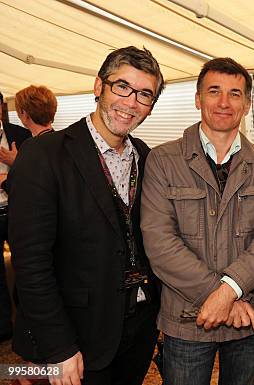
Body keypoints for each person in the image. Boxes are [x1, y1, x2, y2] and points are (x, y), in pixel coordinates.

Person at [8, 46, 165, 385]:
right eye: (121, 86)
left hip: (137, 329)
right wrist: (59, 347)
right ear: (99, 87)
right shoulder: (43, 156)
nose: (130, 102)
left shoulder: (145, 156)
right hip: (76, 336)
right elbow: (31, 263)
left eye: (144, 94)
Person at [140, 57, 254, 385]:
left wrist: (229, 291)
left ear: (247, 104)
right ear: (197, 98)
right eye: (214, 91)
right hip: (187, 319)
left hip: (248, 315)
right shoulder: (163, 161)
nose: (223, 102)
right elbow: (160, 242)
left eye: (235, 94)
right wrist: (218, 296)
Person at [0, 90, 31, 343]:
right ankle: (3, 327)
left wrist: (14, 166)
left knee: (26, 267)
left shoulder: (21, 135)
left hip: (17, 211)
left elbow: (35, 173)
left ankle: (29, 324)